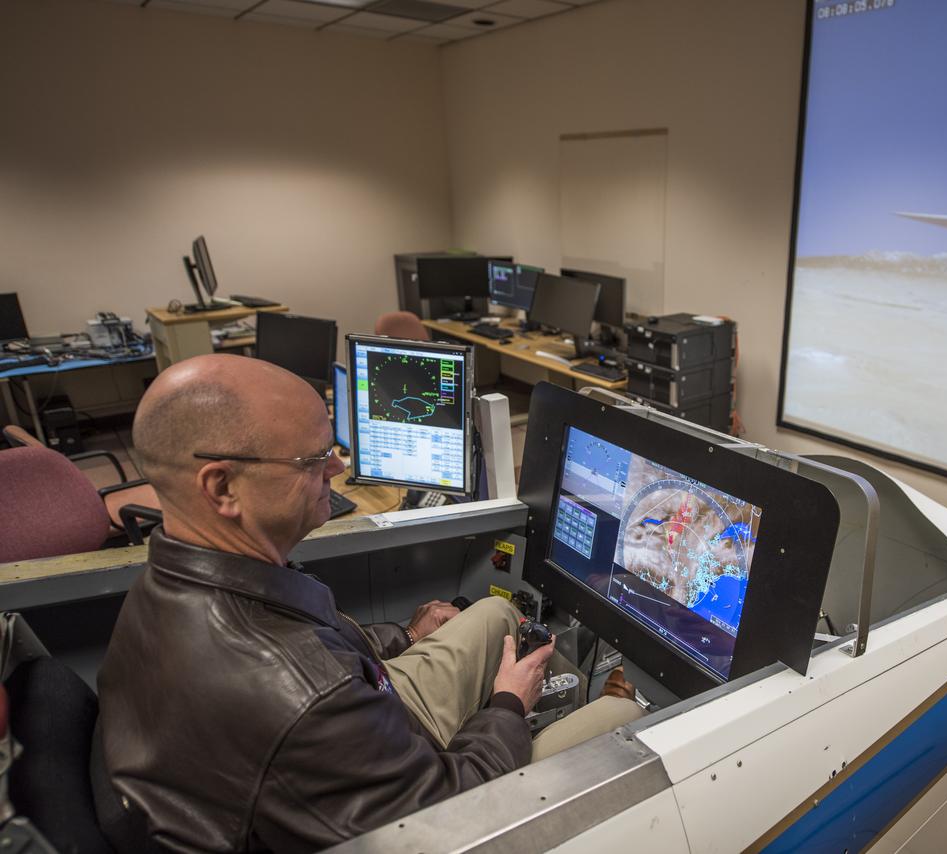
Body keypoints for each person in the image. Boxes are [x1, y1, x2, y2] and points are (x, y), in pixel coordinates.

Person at [94, 354, 641, 853]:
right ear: (221, 489)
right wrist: (508, 709)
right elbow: (437, 819)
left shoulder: (175, 575)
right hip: (419, 791)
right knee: (625, 718)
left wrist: (405, 633)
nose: (335, 471)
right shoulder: (300, 696)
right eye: (313, 460)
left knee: (498, 616)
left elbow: (319, 651)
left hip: (367, 724)